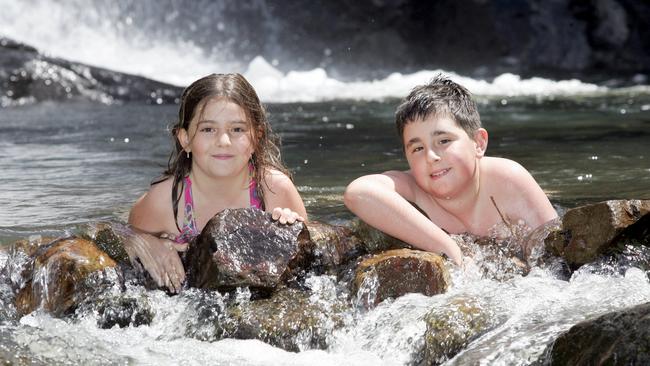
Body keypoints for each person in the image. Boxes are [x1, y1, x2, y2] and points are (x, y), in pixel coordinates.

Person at [344, 75, 557, 266]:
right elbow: (358, 192)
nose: (431, 157)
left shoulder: (508, 180)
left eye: (443, 141)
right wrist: (447, 247)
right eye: (417, 148)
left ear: (478, 143)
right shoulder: (413, 189)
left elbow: (558, 250)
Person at [126, 73, 307, 292]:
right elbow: (124, 236)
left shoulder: (274, 191)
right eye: (208, 129)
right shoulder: (165, 200)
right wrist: (146, 242)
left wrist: (290, 228)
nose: (223, 141)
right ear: (185, 139)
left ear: (256, 138)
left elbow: (308, 265)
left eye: (237, 129)